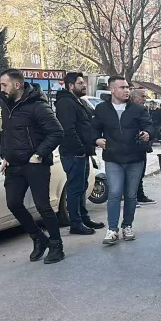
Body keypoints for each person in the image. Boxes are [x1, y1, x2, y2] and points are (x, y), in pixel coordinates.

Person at [0, 69, 65, 264]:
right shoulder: (6, 106)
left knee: (43, 206)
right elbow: (6, 133)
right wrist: (5, 155)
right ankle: (38, 238)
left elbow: (57, 132)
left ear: (17, 85)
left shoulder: (38, 105)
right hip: (14, 165)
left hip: (35, 164)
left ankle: (56, 245)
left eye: (4, 85)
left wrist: (39, 154)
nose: (1, 89)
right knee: (13, 204)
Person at [91, 76, 155, 245]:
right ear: (112, 89)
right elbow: (93, 129)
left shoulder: (138, 109)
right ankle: (112, 229)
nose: (127, 90)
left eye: (127, 87)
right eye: (122, 87)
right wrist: (96, 140)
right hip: (113, 158)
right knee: (114, 192)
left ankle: (127, 225)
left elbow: (150, 126)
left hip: (135, 158)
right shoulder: (102, 109)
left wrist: (147, 133)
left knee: (131, 195)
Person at [55, 72, 105, 235]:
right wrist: (79, 150)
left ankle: (84, 218)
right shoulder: (65, 103)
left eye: (83, 83)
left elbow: (85, 125)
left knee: (82, 186)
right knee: (75, 189)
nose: (84, 86)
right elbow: (68, 130)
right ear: (71, 86)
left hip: (82, 152)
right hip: (73, 153)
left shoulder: (77, 101)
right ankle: (75, 223)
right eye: (80, 83)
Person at [129, 88, 155, 205]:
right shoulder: (128, 109)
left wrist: (148, 133)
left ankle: (140, 195)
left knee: (140, 172)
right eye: (143, 96)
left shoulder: (143, 110)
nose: (145, 99)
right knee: (132, 173)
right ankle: (131, 197)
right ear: (135, 97)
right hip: (130, 146)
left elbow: (149, 125)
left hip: (141, 145)